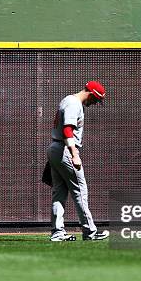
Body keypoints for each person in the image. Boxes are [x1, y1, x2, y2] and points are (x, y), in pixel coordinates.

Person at [47, 81, 109, 242]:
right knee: (80, 190)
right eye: (96, 99)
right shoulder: (74, 103)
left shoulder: (68, 100)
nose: (95, 103)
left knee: (59, 193)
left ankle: (57, 233)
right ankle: (90, 232)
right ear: (91, 94)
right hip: (65, 149)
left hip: (56, 147)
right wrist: (74, 154)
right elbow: (68, 129)